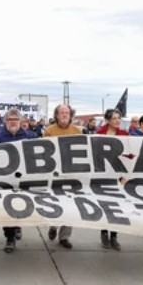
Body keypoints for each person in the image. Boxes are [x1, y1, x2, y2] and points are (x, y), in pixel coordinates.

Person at [0, 108, 31, 253]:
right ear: (5, 121)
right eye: (10, 119)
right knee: (6, 207)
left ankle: (18, 225)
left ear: (20, 121)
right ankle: (9, 237)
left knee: (21, 205)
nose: (13, 122)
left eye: (15, 119)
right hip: (4, 178)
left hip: (23, 179)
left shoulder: (29, 136)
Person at [44, 104, 83, 248]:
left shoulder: (77, 131)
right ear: (56, 115)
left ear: (71, 115)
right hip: (54, 174)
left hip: (71, 173)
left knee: (70, 204)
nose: (64, 115)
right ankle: (53, 226)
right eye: (61, 112)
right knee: (55, 202)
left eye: (67, 112)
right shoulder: (49, 131)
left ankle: (64, 237)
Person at [95, 108, 129, 250]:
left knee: (118, 205)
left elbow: (128, 156)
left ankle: (114, 236)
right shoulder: (99, 134)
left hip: (118, 174)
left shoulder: (124, 134)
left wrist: (125, 176)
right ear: (107, 120)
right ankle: (104, 233)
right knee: (105, 204)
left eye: (118, 118)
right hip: (102, 174)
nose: (117, 121)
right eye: (114, 118)